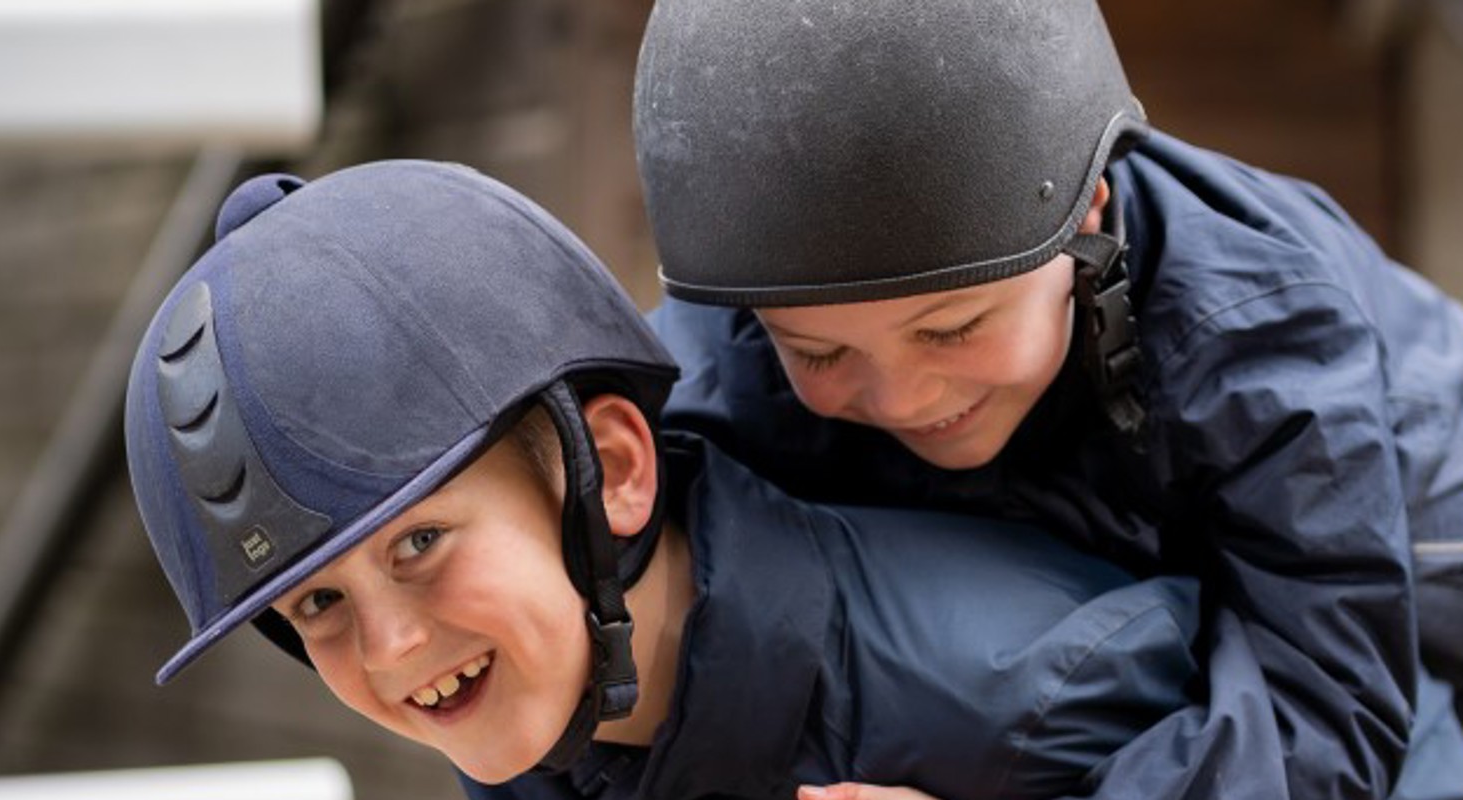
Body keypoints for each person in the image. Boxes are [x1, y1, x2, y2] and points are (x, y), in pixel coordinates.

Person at [120, 160, 1304, 800]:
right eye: (316, 603)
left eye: (420, 542)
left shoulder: (1031, 679)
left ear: (619, 472)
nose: (386, 653)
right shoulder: (555, 736)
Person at [633, 1, 1463, 798]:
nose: (903, 397)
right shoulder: (729, 347)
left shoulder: (1260, 330)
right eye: (819, 351)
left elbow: (1325, 707)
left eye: (951, 328)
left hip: (1416, 532)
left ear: (1087, 217)